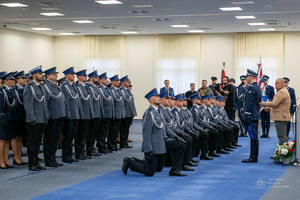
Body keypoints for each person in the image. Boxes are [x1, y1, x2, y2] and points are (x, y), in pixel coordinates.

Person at [122, 88, 167, 176]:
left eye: (158, 96)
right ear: (150, 99)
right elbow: (146, 133)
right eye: (156, 96)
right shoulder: (149, 113)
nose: (159, 98)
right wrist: (148, 149)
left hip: (160, 145)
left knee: (158, 169)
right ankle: (129, 162)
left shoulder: (159, 111)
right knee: (150, 172)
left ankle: (136, 160)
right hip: (153, 146)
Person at [23, 65, 49, 171]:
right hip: (33, 120)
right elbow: (28, 105)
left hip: (42, 119)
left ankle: (36, 161)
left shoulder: (41, 87)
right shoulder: (30, 87)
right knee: (32, 142)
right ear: (34, 75)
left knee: (38, 142)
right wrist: (31, 118)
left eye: (42, 74)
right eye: (40, 74)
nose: (42, 75)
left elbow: (44, 103)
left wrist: (46, 117)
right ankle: (32, 163)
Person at [158, 91, 190, 176]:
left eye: (171, 99)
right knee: (182, 144)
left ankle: (181, 164)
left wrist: (178, 134)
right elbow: (167, 128)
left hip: (168, 136)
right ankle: (177, 167)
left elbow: (173, 126)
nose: (170, 101)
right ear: (161, 100)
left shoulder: (166, 111)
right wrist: (175, 136)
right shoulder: (160, 111)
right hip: (163, 139)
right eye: (168, 99)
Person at [43, 67, 67, 167]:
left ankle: (52, 158)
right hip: (52, 116)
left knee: (55, 139)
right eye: (54, 74)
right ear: (48, 76)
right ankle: (48, 160)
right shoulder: (46, 85)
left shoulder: (55, 86)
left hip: (59, 115)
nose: (56, 75)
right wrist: (48, 115)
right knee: (49, 139)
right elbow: (46, 102)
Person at [261, 78, 291, 145]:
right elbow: (280, 105)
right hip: (283, 116)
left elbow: (274, 103)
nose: (275, 85)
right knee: (283, 135)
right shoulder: (283, 90)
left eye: (277, 83)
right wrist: (269, 108)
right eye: (275, 83)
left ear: (282, 84)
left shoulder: (281, 92)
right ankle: (284, 152)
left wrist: (261, 103)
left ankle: (282, 154)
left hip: (281, 117)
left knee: (281, 136)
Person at [61, 67, 80, 163]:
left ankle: (69, 154)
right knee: (67, 137)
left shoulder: (72, 86)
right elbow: (66, 101)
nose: (74, 76)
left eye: (74, 74)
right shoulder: (64, 86)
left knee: (71, 136)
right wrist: (67, 115)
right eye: (72, 74)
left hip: (75, 115)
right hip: (69, 116)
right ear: (67, 75)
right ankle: (66, 156)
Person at [242, 69, 262, 163]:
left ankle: (253, 157)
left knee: (253, 135)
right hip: (255, 114)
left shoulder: (251, 88)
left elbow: (249, 103)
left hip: (251, 115)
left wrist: (247, 115)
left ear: (250, 77)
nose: (246, 79)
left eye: (247, 77)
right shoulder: (257, 87)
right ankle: (253, 156)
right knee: (254, 135)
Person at [0, 72, 17, 169]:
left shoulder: (11, 91)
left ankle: (6, 160)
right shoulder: (2, 91)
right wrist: (2, 118)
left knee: (7, 140)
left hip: (11, 118)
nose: (13, 81)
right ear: (6, 81)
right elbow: (1, 106)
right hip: (4, 117)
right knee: (2, 140)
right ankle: (1, 160)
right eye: (11, 80)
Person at [75, 69, 92, 160]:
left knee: (84, 135)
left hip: (87, 114)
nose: (86, 77)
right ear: (79, 77)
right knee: (80, 135)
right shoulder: (78, 87)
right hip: (82, 114)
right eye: (84, 75)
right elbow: (79, 102)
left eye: (86, 75)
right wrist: (80, 114)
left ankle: (82, 151)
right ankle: (79, 153)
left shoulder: (86, 87)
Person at [12, 71, 28, 165]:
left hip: (23, 116)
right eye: (22, 78)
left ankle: (19, 156)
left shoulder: (25, 88)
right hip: (17, 115)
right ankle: (15, 157)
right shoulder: (15, 89)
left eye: (24, 78)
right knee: (15, 138)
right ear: (17, 79)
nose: (24, 80)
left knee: (20, 137)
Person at [86, 70, 101, 156]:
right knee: (90, 133)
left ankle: (92, 148)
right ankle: (89, 149)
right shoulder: (89, 87)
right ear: (91, 78)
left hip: (97, 113)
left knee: (94, 133)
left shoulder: (95, 87)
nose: (97, 78)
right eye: (96, 77)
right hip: (92, 113)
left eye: (97, 77)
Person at [97, 72, 114, 154]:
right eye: (105, 79)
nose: (107, 80)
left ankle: (103, 146)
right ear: (100, 80)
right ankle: (101, 146)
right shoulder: (100, 89)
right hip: (104, 113)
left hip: (108, 113)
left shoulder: (106, 89)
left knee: (104, 131)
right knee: (102, 131)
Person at [108, 75, 125, 151]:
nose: (118, 82)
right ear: (112, 82)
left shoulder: (118, 90)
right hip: (114, 113)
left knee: (116, 130)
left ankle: (114, 144)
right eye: (117, 81)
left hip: (119, 113)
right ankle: (111, 144)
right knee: (112, 130)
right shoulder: (112, 90)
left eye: (118, 81)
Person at [119, 75, 137, 148]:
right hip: (125, 113)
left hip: (129, 112)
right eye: (127, 81)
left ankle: (125, 142)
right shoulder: (121, 90)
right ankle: (123, 143)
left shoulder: (127, 90)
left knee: (126, 128)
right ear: (123, 83)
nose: (128, 82)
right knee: (123, 128)